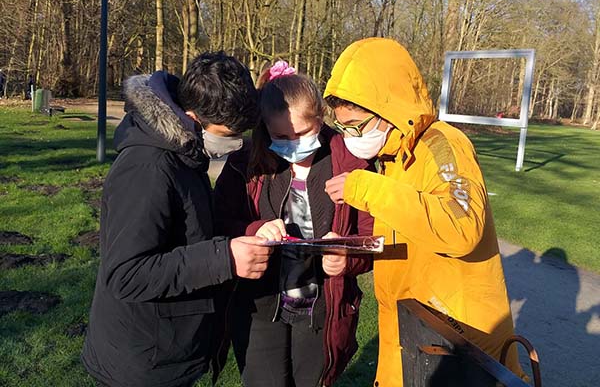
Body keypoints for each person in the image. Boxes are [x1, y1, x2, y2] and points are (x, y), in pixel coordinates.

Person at [322, 38, 525, 386]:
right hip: (412, 333)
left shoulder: (444, 145)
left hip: (457, 339)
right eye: (344, 128)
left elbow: (460, 229)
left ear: (389, 109)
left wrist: (366, 188)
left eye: (357, 125)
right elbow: (409, 233)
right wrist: (351, 249)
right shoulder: (392, 158)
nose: (351, 137)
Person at [82, 52, 273, 387]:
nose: (231, 146)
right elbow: (127, 274)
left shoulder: (184, 149)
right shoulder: (148, 168)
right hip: (142, 364)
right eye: (225, 135)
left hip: (166, 351)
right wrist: (224, 259)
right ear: (191, 117)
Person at [213, 61, 373, 387]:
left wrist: (348, 257)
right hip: (260, 303)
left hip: (323, 307)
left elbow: (372, 236)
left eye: (302, 133)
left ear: (321, 120)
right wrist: (253, 229)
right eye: (280, 136)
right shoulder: (245, 162)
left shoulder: (349, 162)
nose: (293, 143)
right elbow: (218, 221)